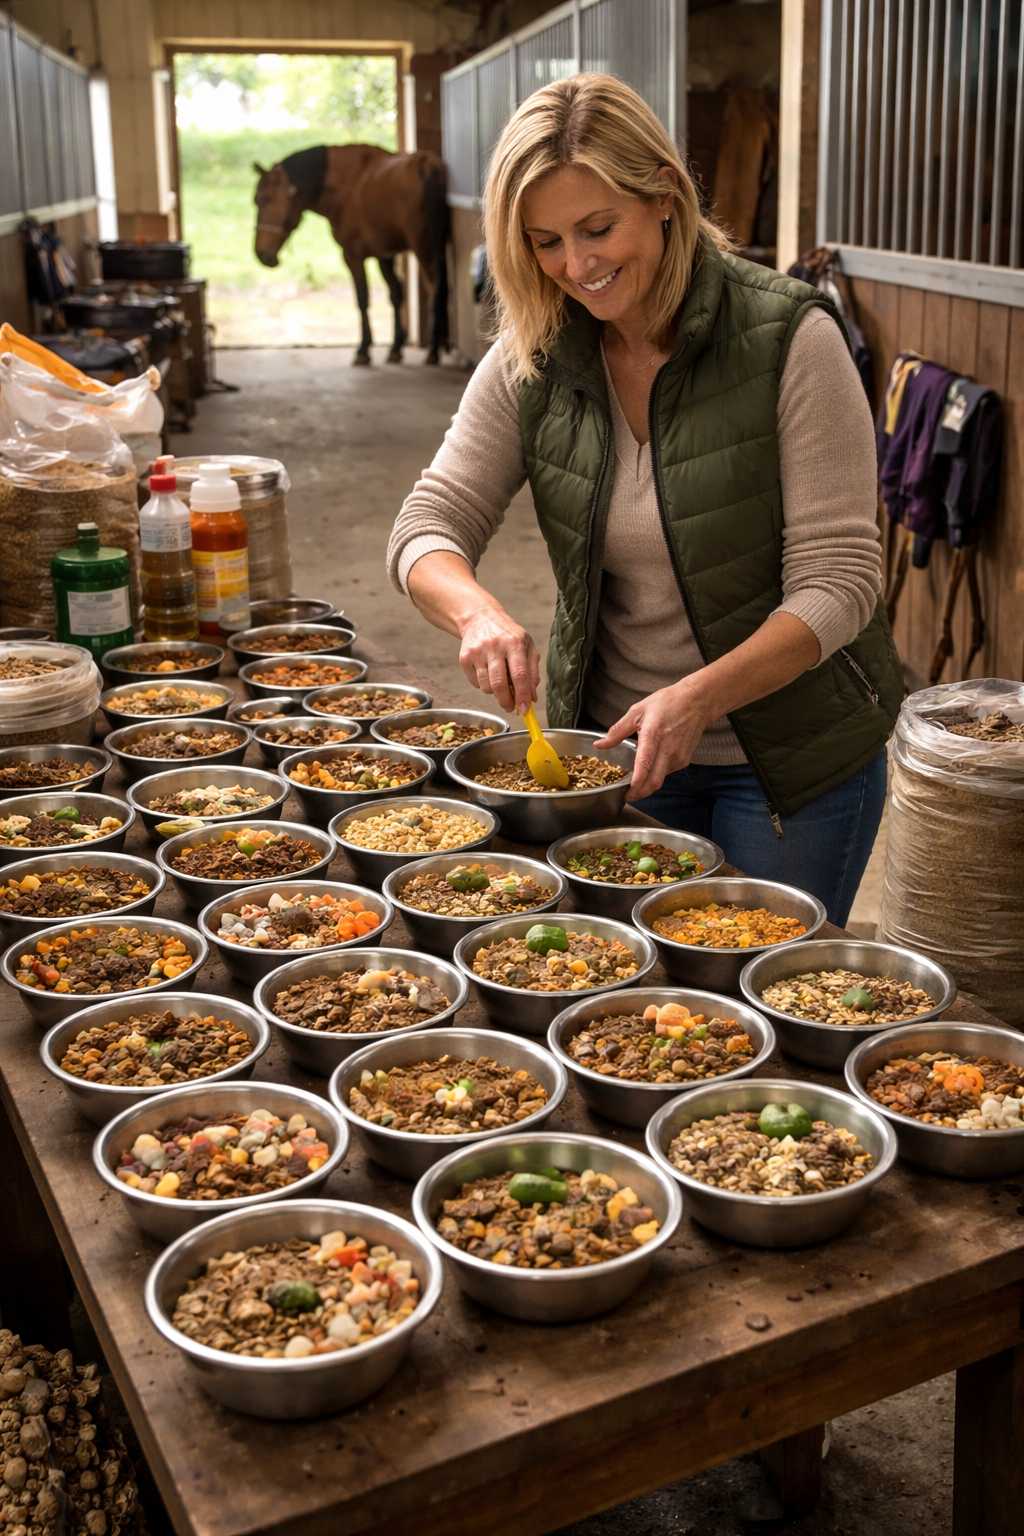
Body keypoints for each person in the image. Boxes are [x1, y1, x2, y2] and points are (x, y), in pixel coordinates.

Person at [386, 73, 903, 926]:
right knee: (627, 1009)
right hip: (616, 756)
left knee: (757, 1010)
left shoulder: (790, 340)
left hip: (786, 766)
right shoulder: (539, 351)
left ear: (664, 195)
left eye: (598, 228)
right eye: (545, 241)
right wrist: (474, 613)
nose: (577, 267)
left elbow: (839, 582)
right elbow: (428, 521)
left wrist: (702, 694)